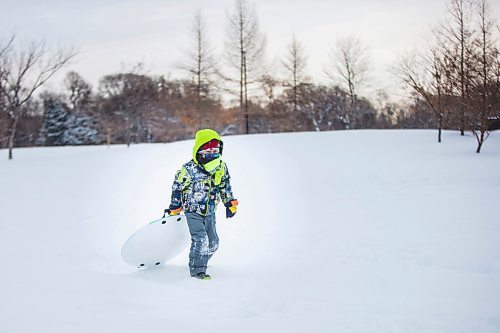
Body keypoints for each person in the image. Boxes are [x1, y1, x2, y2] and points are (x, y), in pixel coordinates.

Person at [165, 129, 238, 280]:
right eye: (207, 151)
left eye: (215, 150)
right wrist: (174, 207)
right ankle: (197, 271)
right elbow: (177, 187)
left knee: (214, 242)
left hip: (210, 210)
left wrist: (229, 202)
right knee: (201, 240)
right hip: (193, 210)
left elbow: (225, 185)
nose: (212, 154)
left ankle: (201, 260)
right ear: (199, 151)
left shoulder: (221, 167)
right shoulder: (189, 169)